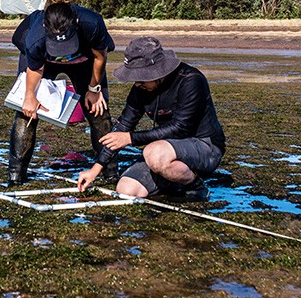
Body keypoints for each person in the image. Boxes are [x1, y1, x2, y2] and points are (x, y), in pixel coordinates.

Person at [77, 36, 225, 202]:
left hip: (204, 146)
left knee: (153, 153)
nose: (137, 83)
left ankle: (195, 185)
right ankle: (175, 179)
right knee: (126, 190)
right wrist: (96, 168)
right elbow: (123, 127)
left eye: (141, 77)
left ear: (158, 71)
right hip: (167, 151)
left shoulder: (191, 80)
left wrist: (131, 139)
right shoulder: (140, 89)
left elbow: (180, 127)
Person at [8, 0, 117, 186]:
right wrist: (30, 96)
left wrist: (94, 89)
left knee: (99, 111)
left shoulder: (91, 23)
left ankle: (110, 173)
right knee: (26, 114)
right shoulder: (35, 38)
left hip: (84, 60)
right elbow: (35, 69)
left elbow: (100, 56)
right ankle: (16, 175)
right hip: (43, 62)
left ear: (75, 23)